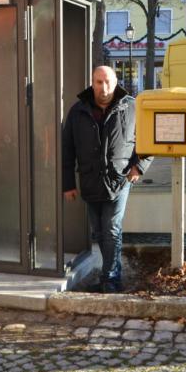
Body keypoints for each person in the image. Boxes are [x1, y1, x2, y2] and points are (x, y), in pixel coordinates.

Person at [62, 66, 153, 293]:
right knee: (99, 232)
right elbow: (67, 149)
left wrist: (139, 167)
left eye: (108, 82)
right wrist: (68, 184)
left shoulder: (131, 106)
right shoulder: (78, 111)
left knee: (111, 229)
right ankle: (112, 273)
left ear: (116, 81)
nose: (104, 87)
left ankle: (110, 279)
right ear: (92, 83)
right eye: (99, 82)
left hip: (119, 180)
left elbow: (149, 140)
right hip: (90, 180)